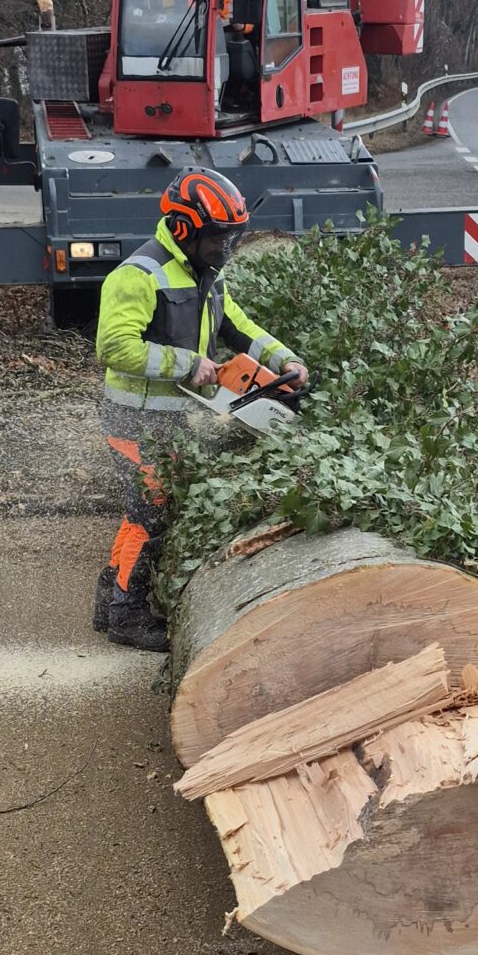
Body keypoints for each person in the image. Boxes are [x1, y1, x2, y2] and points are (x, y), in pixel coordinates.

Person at [92, 172, 308, 652]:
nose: (225, 246)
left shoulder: (205, 272)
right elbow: (114, 348)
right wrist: (188, 365)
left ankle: (109, 600)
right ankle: (125, 614)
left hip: (166, 420)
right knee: (148, 509)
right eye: (217, 237)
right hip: (132, 418)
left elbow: (236, 325)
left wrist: (284, 361)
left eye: (231, 236)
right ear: (185, 228)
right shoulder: (139, 274)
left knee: (143, 508)